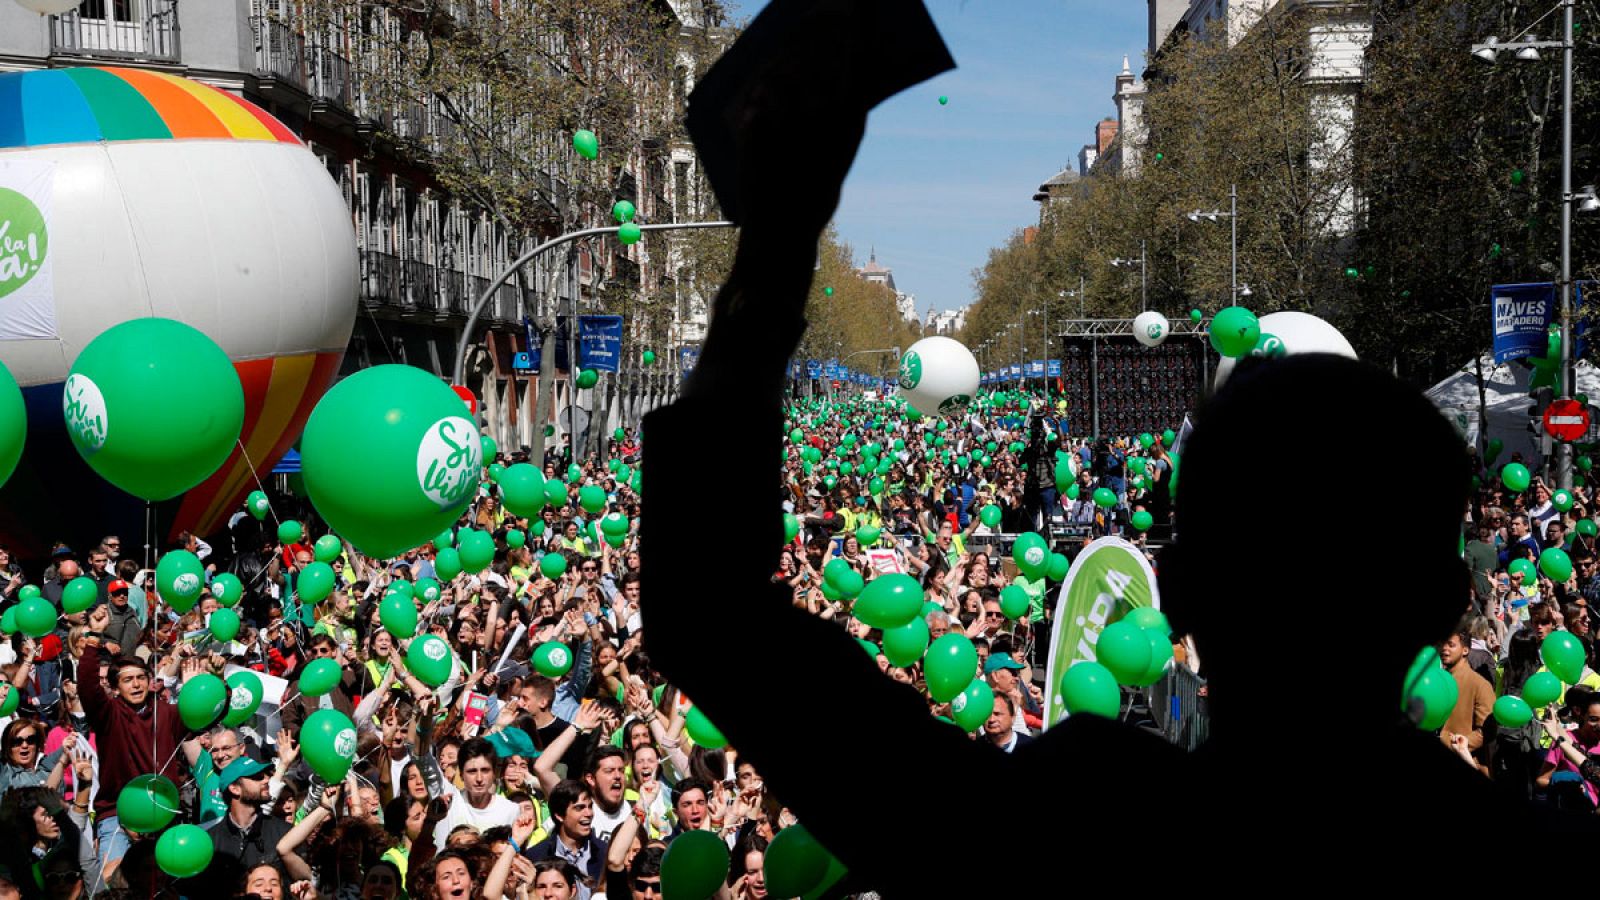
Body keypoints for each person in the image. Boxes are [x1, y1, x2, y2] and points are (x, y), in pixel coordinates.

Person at [636, 8, 1600, 891]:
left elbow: (705, 613)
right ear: (1443, 598)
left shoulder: (1071, 833)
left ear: (1177, 585)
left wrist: (779, 241)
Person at [432, 737, 518, 848]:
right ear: (461, 775)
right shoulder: (449, 801)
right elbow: (423, 760)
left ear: (494, 773)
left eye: (485, 770)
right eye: (472, 771)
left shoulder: (510, 810)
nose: (479, 778)